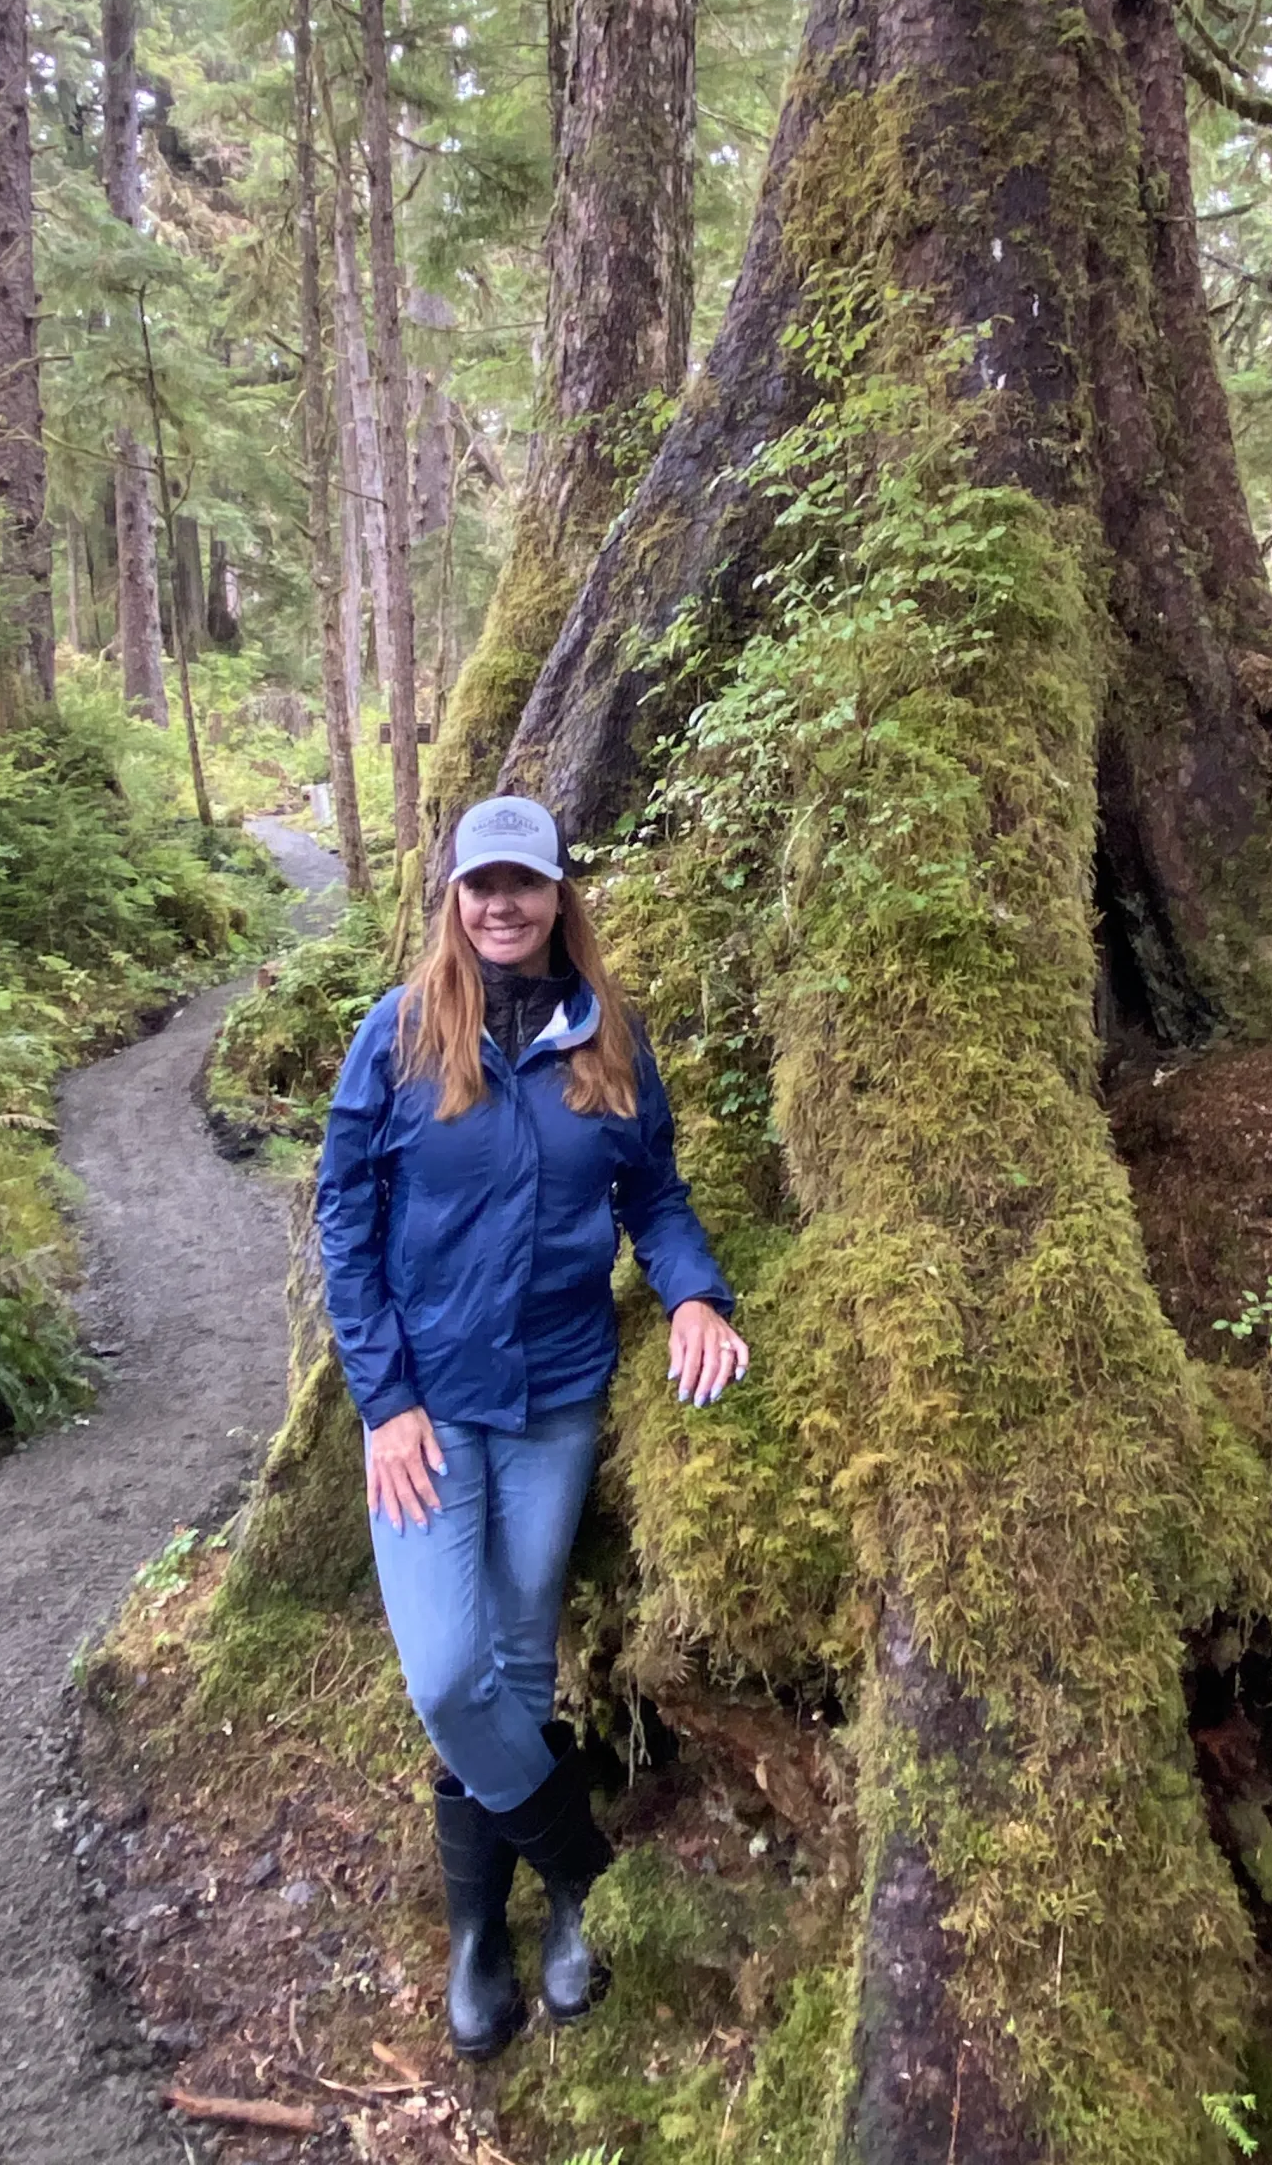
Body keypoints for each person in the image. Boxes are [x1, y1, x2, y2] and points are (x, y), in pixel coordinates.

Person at [316, 793, 748, 2059]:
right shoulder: (398, 1035)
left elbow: (653, 1192)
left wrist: (694, 1295)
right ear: (454, 896)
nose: (501, 903)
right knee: (449, 1675)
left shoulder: (607, 1037)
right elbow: (344, 1221)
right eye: (481, 884)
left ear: (560, 895)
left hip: (557, 1397)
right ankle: (579, 1872)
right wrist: (384, 1401)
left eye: (524, 882)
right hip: (430, 1409)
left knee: (513, 1661)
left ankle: (484, 1928)